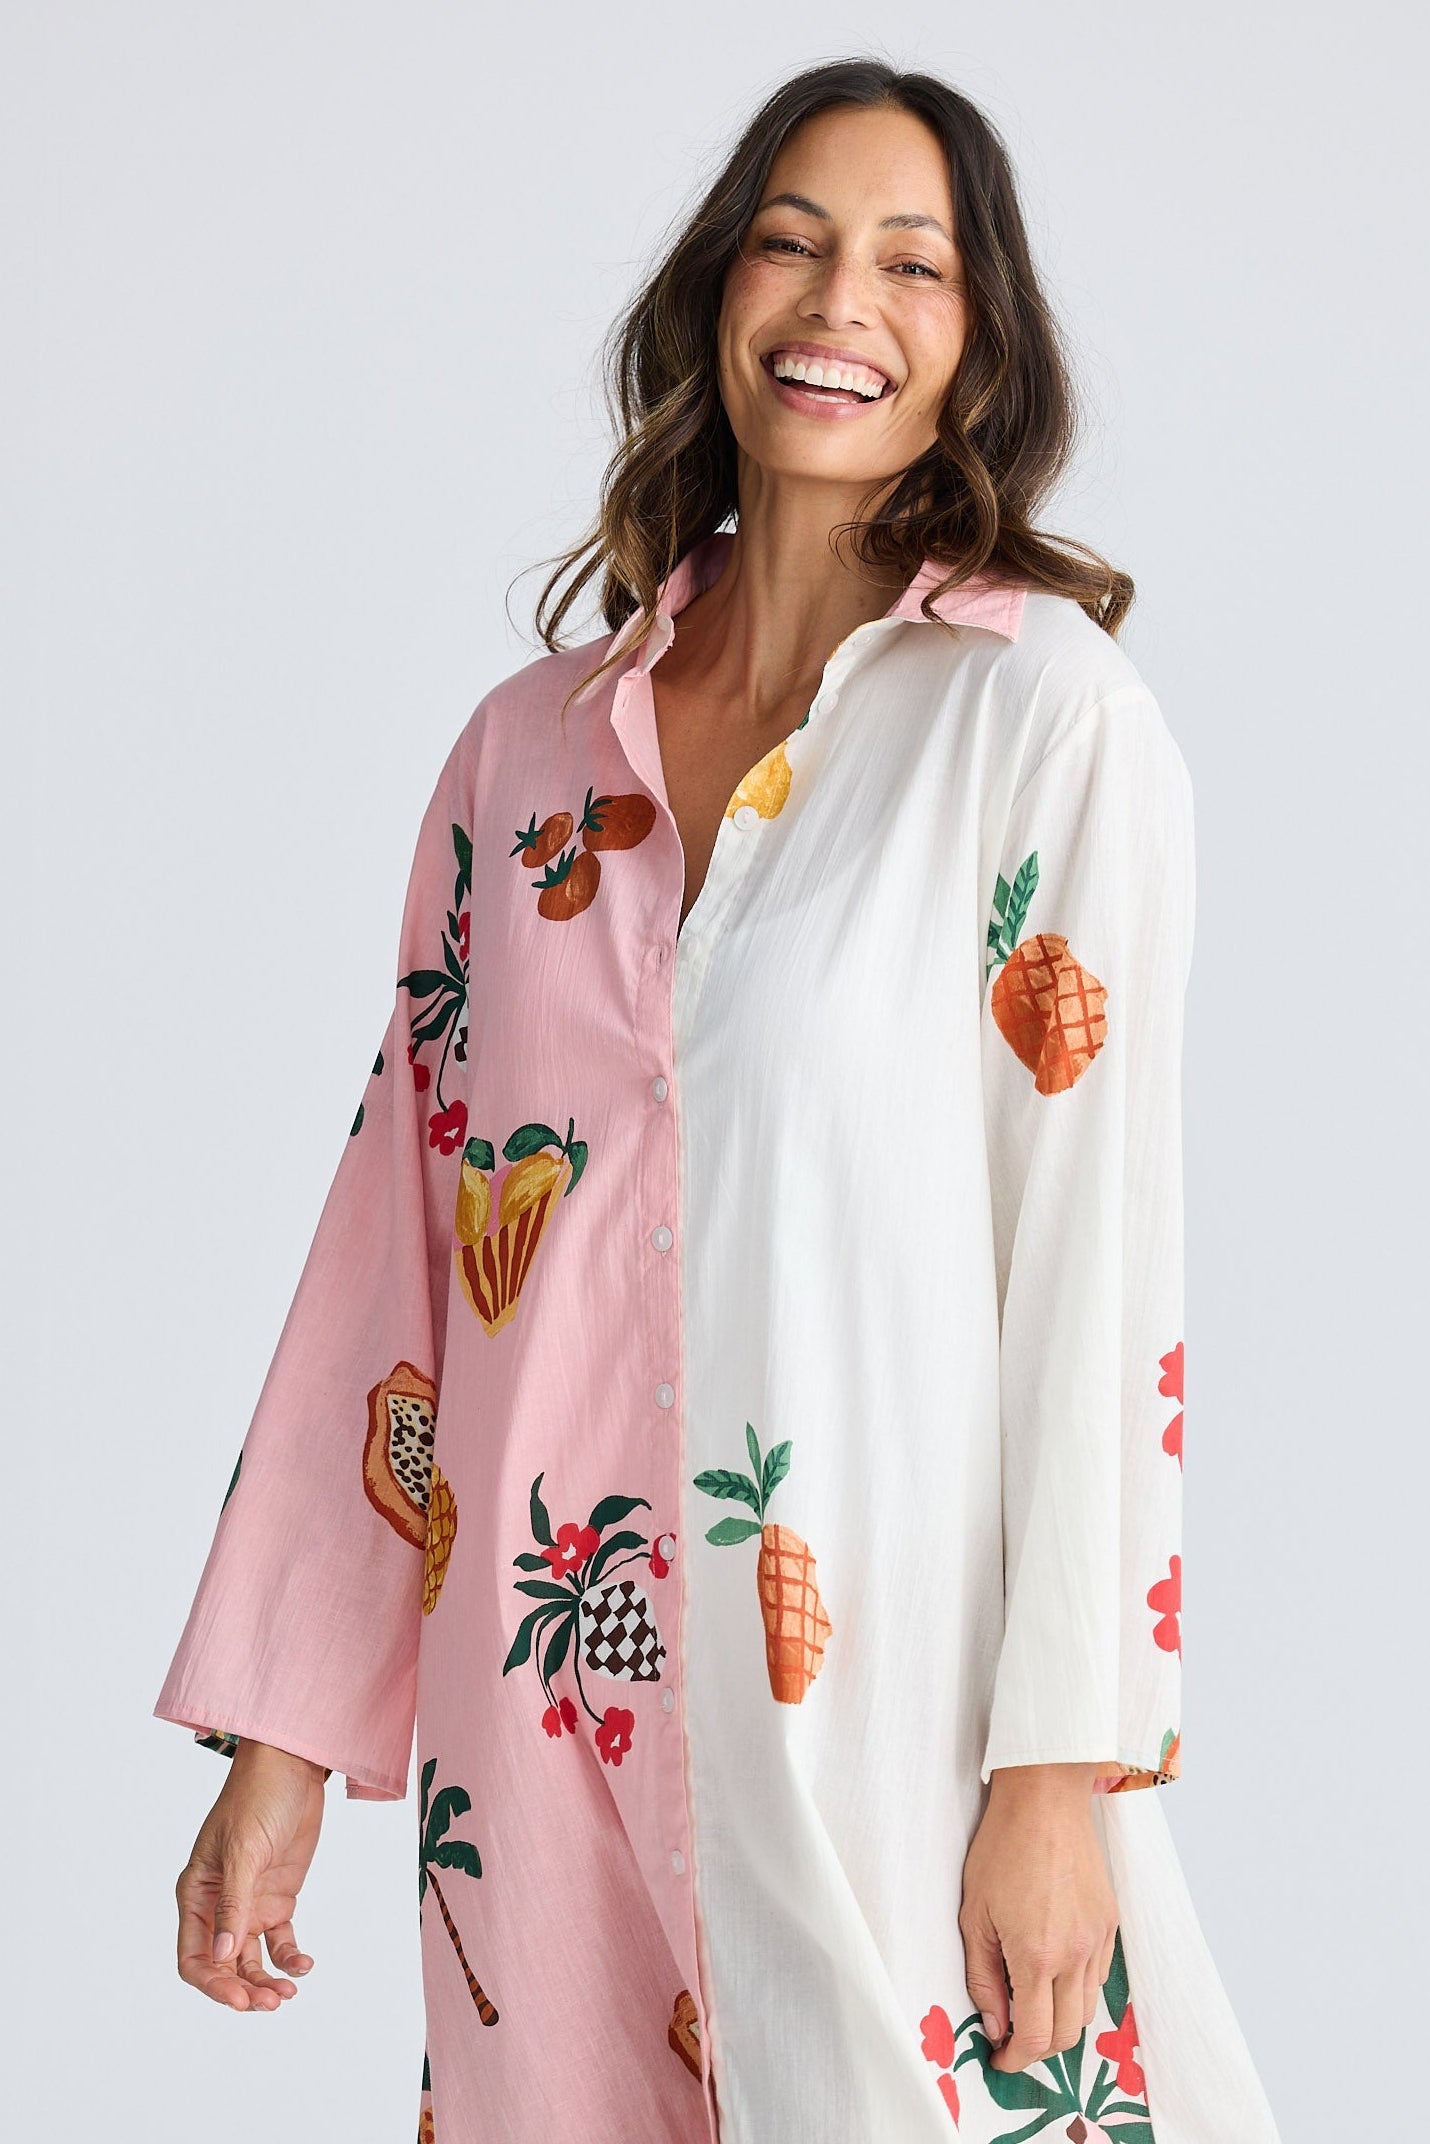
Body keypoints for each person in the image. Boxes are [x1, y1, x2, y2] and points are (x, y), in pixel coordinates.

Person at [154, 55, 1282, 2144]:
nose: (839, 296)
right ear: (715, 294)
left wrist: (1060, 1768)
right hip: (543, 1700)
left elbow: (1093, 1266)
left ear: (978, 347)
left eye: (911, 262)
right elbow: (394, 1254)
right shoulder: (525, 760)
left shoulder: (1041, 723)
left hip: (879, 1718)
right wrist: (281, 1741)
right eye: (792, 238)